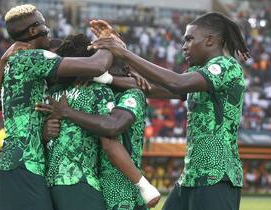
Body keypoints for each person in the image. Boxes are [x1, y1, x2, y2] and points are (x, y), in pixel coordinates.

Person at [90, 12, 250, 210]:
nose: (184, 46)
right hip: (191, 176)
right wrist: (107, 76)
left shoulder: (227, 66)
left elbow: (176, 83)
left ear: (210, 40)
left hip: (217, 175)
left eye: (190, 39)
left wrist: (125, 54)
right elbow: (153, 87)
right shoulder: (197, 72)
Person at [0, 4, 113, 210]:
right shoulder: (34, 58)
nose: (49, 30)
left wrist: (2, 62)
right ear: (34, 30)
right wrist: (108, 43)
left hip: (18, 163)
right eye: (45, 24)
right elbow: (96, 66)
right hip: (23, 164)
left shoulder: (15, 60)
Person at [35, 33, 161, 210]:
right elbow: (109, 136)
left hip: (107, 187)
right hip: (100, 185)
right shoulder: (95, 92)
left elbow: (112, 127)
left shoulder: (55, 93)